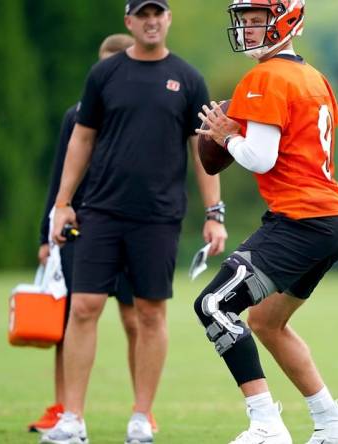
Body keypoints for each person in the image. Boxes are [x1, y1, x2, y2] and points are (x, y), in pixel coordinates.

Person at [41, 1, 228, 443]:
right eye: (142, 14)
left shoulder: (188, 78)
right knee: (84, 308)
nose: (150, 20)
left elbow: (204, 151)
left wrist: (214, 213)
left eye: (157, 13)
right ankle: (72, 419)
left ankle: (142, 418)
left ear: (167, 19)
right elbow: (81, 139)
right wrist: (63, 203)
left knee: (149, 314)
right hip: (101, 212)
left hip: (158, 217)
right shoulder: (104, 75)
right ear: (129, 22)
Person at [194, 1, 338, 443]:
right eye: (245, 22)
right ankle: (333, 425)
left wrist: (226, 135)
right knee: (266, 323)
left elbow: (260, 157)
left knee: (214, 306)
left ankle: (266, 425)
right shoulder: (313, 77)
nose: (248, 30)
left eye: (257, 21)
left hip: (301, 218)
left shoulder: (265, 76)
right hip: (332, 219)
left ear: (285, 22)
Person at [28, 34, 160, 435]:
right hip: (81, 230)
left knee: (135, 320)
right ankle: (62, 408)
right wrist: (45, 236)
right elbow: (58, 180)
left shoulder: (148, 114)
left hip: (134, 226)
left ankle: (144, 409)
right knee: (71, 317)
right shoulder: (78, 115)